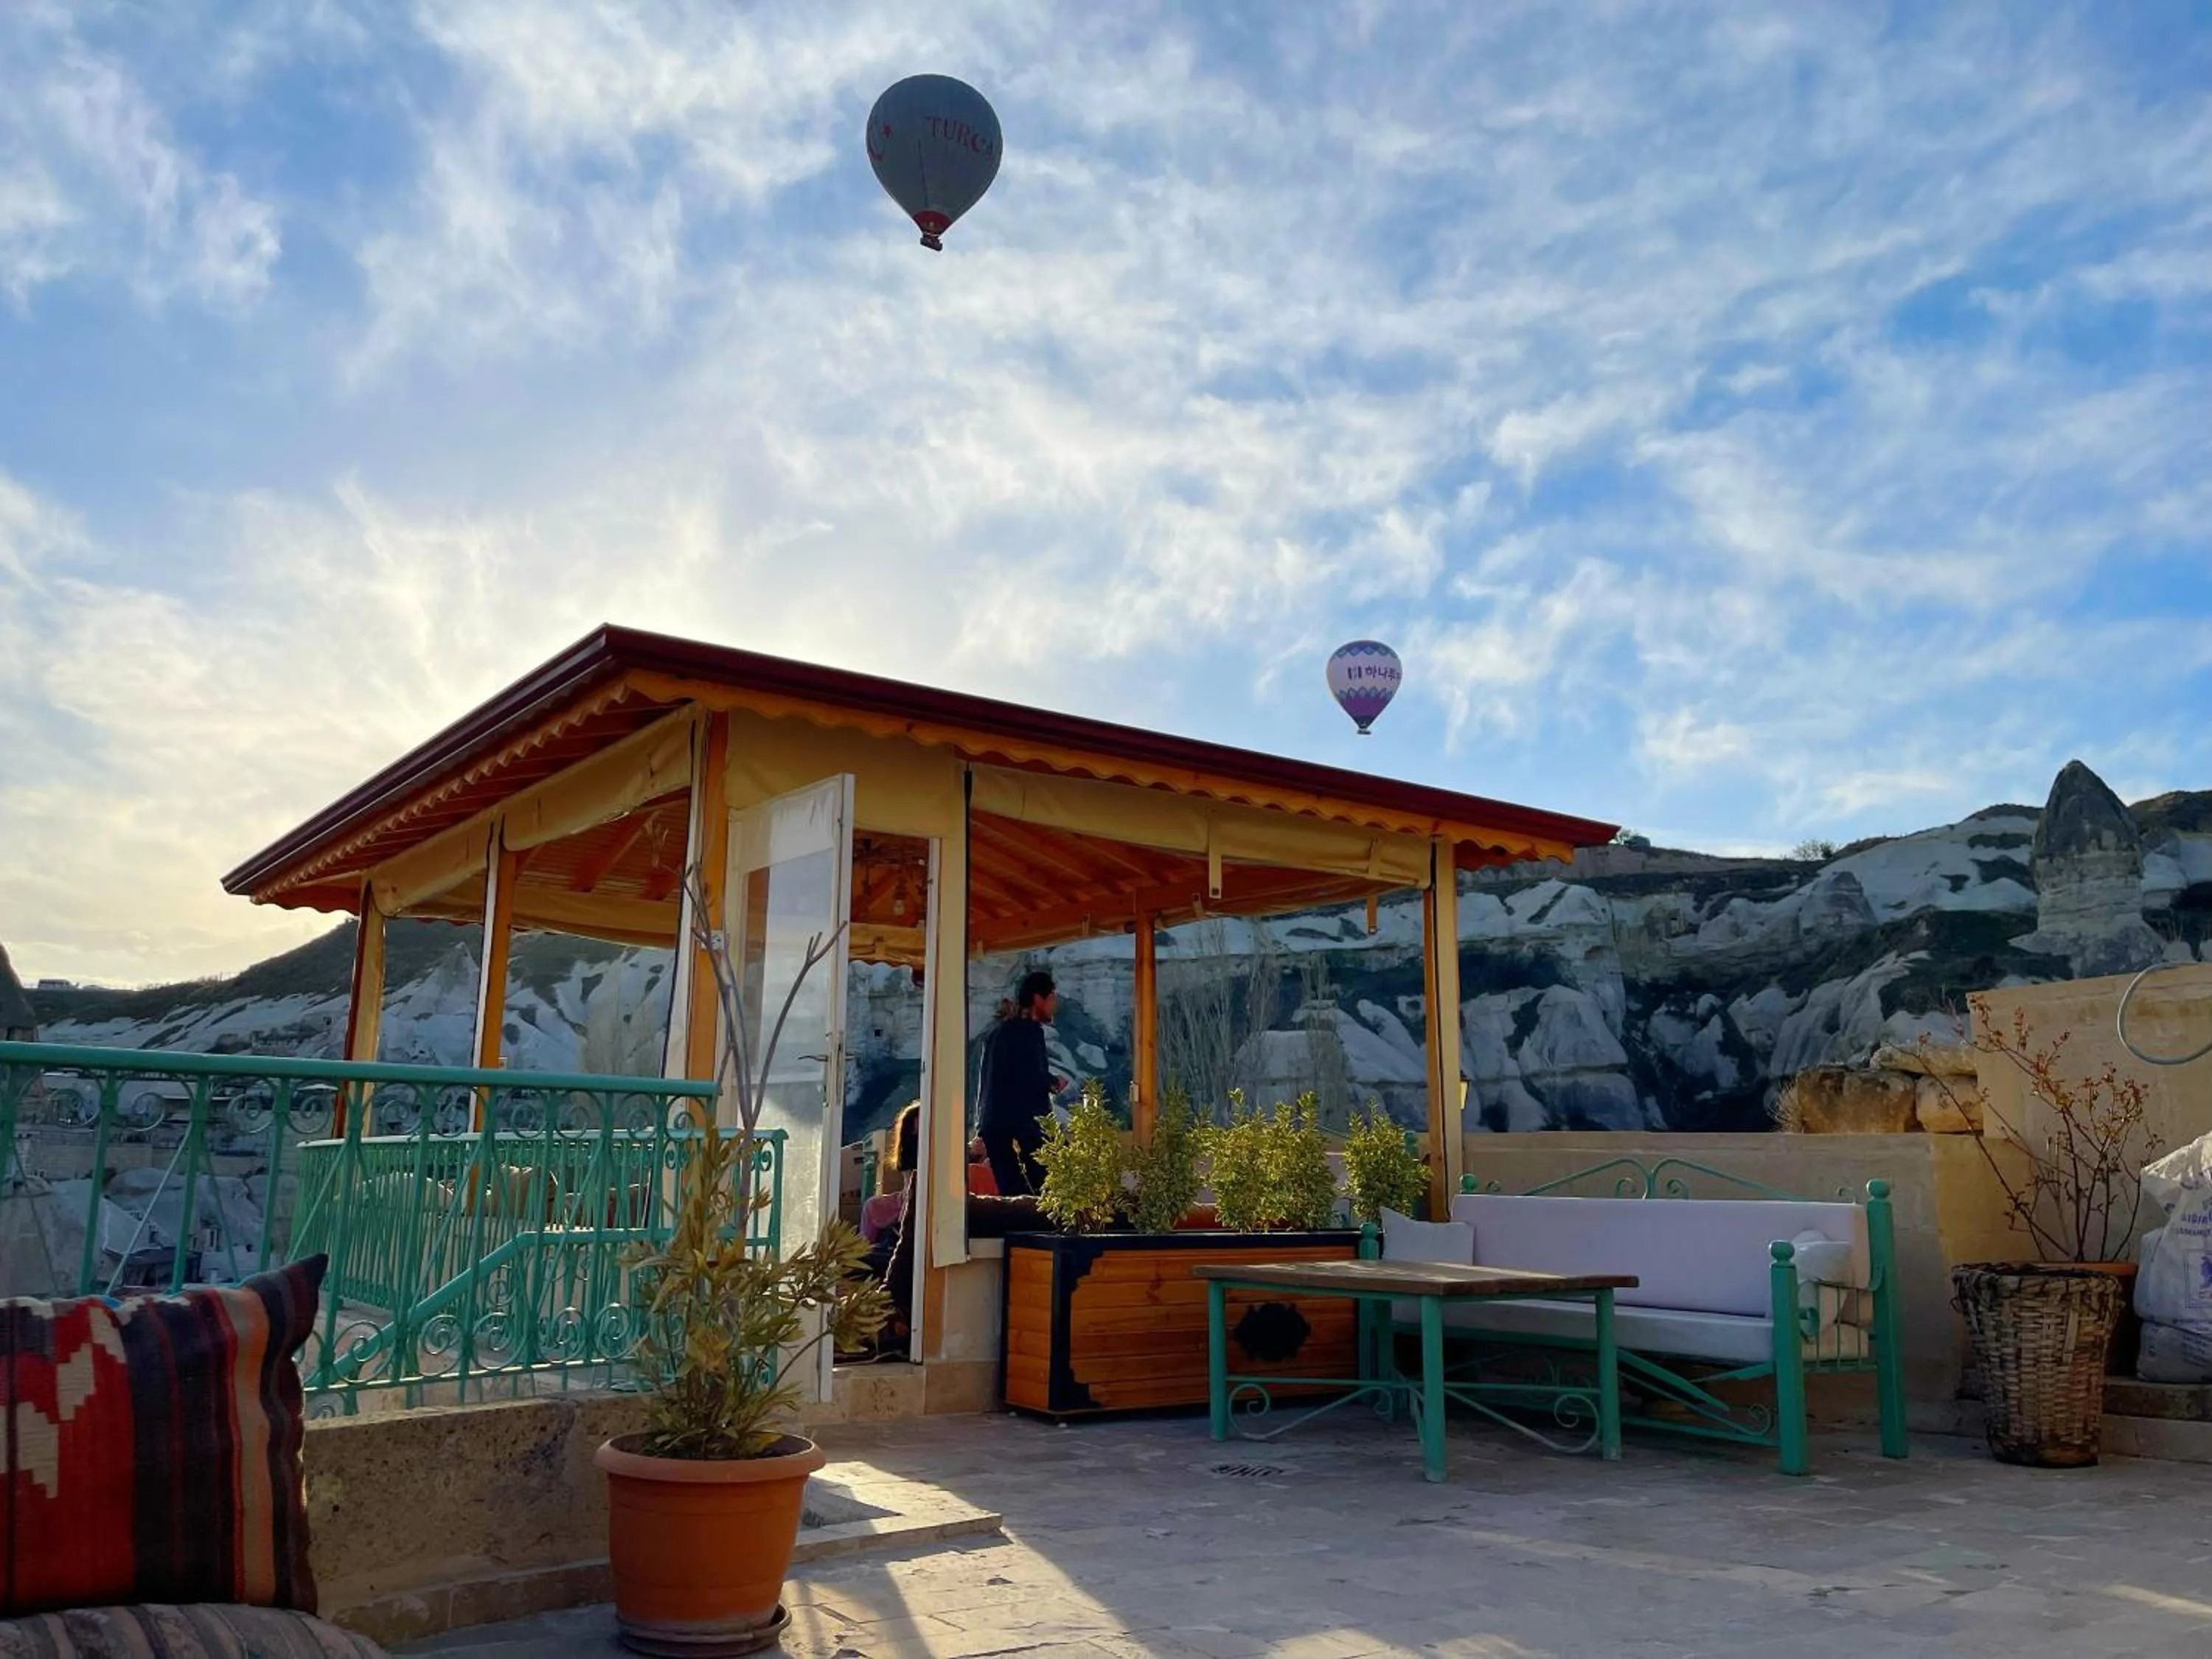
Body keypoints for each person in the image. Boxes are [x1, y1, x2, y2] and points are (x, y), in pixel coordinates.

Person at [975, 970, 1064, 1197]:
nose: (1055, 1004)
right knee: (1049, 1186)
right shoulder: (1029, 1031)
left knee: (1011, 1190)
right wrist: (1053, 1082)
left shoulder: (997, 1032)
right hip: (1022, 1121)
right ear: (1038, 999)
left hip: (993, 1121)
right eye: (1052, 997)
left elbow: (992, 1077)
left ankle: (1018, 1227)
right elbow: (1032, 1075)